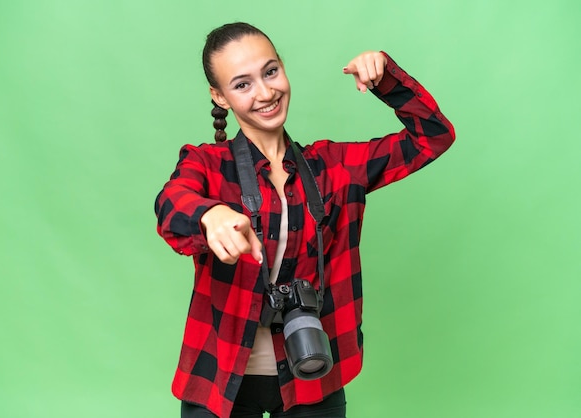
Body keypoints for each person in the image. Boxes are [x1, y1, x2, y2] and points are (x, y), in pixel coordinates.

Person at [154, 22, 455, 418]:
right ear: (220, 96)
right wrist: (210, 214)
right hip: (220, 378)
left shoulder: (334, 166)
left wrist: (388, 79)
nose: (265, 93)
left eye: (271, 72)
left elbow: (433, 137)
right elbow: (170, 204)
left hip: (312, 376)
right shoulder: (207, 163)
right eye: (242, 84)